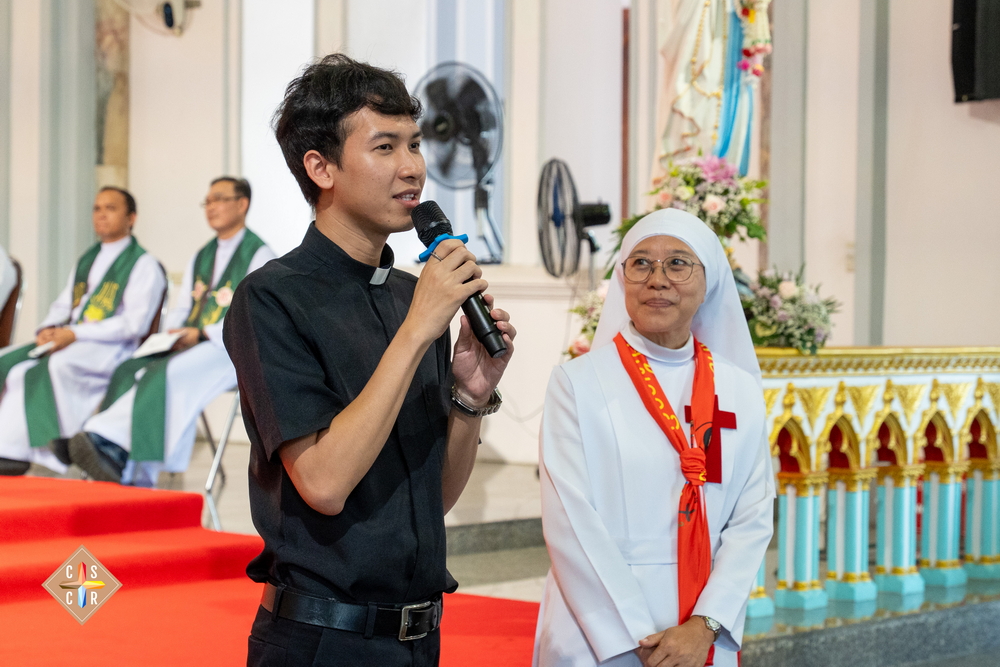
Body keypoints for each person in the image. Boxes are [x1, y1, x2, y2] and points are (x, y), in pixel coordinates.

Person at [223, 54, 516, 666]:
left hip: (418, 637)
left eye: (415, 143)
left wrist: (469, 398)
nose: (413, 167)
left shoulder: (412, 296)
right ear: (321, 167)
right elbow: (324, 484)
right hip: (322, 640)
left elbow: (433, 498)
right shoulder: (272, 299)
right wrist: (416, 332)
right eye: (385, 147)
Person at [533, 209, 774, 667]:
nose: (657, 279)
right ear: (623, 279)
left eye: (677, 263)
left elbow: (753, 517)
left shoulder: (739, 389)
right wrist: (640, 638)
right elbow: (570, 520)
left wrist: (705, 625)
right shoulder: (578, 383)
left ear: (709, 281)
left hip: (702, 627)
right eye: (641, 263)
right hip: (599, 631)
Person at [59, 177, 276, 487]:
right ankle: (115, 457)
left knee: (171, 374)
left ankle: (112, 446)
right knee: (132, 370)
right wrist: (174, 331)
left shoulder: (260, 255)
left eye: (219, 199)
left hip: (229, 350)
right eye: (207, 201)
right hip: (192, 343)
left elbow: (253, 318)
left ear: (242, 204)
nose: (211, 207)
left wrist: (202, 334)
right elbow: (182, 305)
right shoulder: (202, 255)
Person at [0, 187, 166, 476]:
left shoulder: (144, 264)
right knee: (11, 366)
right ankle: (11, 451)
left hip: (113, 348)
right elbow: (63, 304)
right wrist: (48, 328)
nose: (101, 214)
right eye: (97, 208)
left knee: (56, 365)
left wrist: (77, 334)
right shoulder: (87, 259)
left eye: (110, 208)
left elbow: (134, 324)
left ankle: (56, 450)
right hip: (72, 338)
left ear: (131, 218)